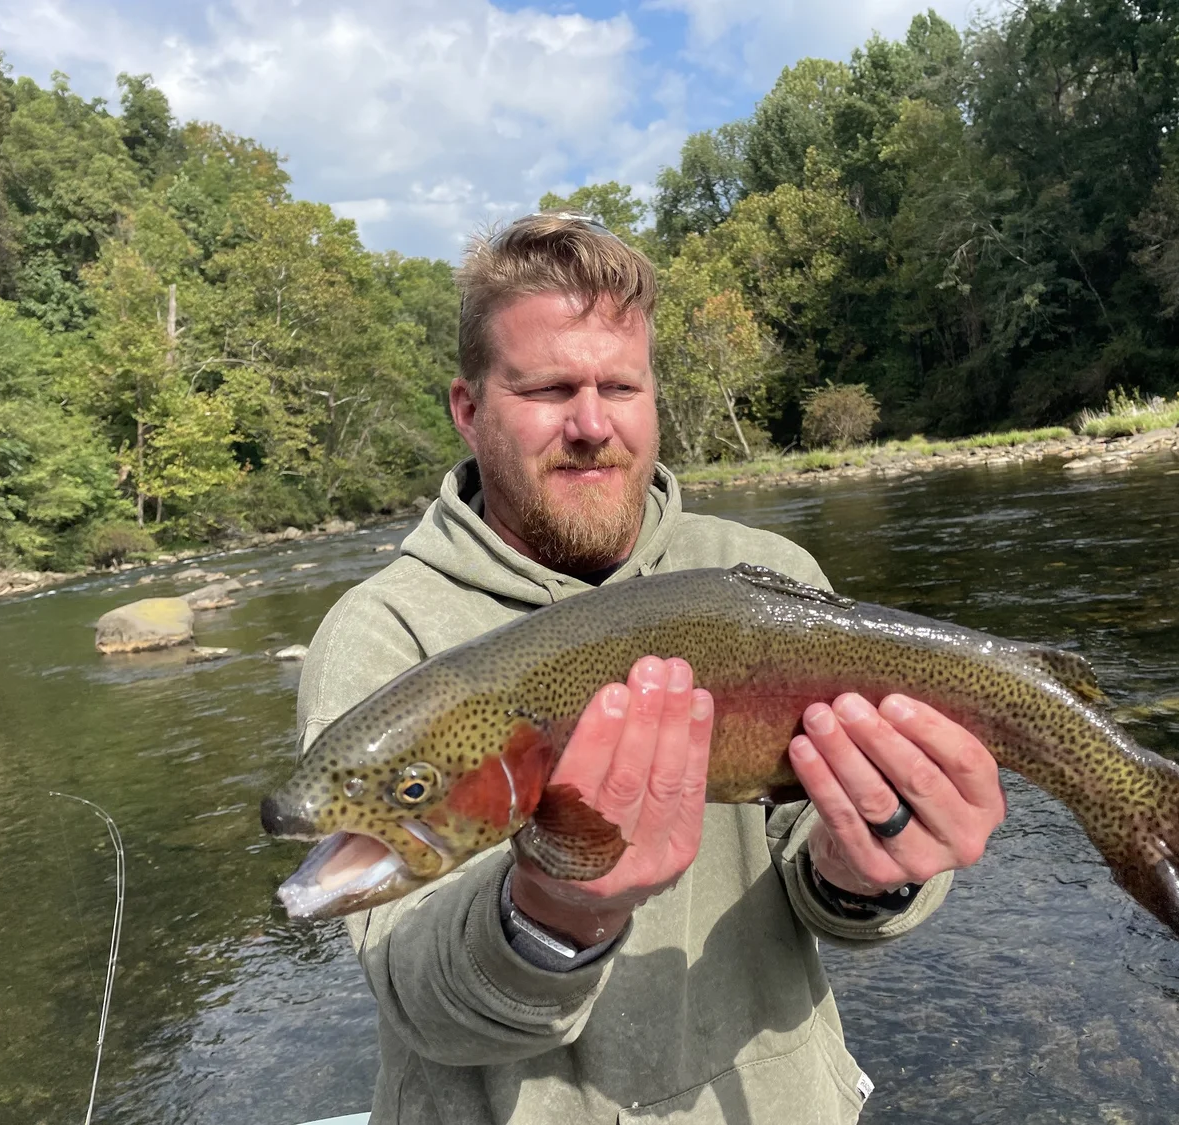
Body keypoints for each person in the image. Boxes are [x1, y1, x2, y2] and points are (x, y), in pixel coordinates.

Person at [295, 212, 1006, 1125]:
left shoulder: (764, 576)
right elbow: (413, 986)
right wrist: (552, 910)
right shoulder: (384, 633)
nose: (592, 424)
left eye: (620, 386)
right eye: (550, 388)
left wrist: (871, 865)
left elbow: (825, 883)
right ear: (469, 411)